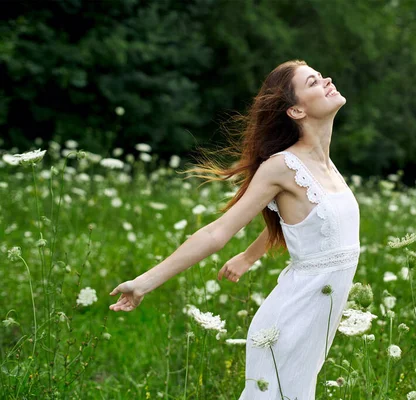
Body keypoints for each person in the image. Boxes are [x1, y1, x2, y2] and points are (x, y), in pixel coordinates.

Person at [108, 60, 360, 399]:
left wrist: (249, 256)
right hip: (288, 323)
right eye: (313, 81)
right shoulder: (282, 166)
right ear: (297, 110)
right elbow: (216, 233)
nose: (327, 79)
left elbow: (306, 223)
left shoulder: (326, 166)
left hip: (315, 323)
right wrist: (144, 282)